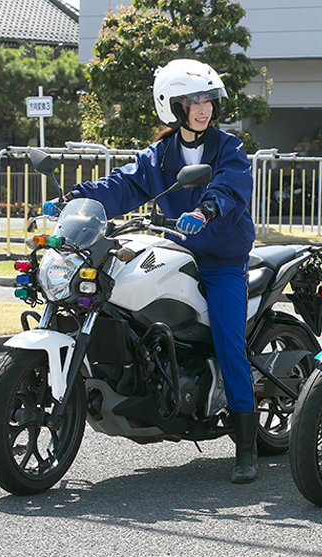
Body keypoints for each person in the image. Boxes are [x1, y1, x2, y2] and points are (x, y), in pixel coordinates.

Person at [43, 59, 259, 484]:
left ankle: (246, 446)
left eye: (208, 99)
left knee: (229, 341)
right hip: (175, 248)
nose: (204, 108)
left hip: (221, 261)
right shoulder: (159, 155)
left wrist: (207, 209)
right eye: (193, 100)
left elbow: (230, 186)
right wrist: (74, 197)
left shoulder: (228, 148)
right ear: (172, 106)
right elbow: (121, 185)